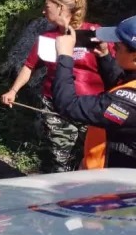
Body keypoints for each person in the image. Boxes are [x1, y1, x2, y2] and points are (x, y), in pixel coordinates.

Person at [1, 0, 105, 173]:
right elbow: (29, 66)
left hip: (90, 107)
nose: (43, 12)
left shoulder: (94, 34)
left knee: (90, 159)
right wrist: (13, 90)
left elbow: (114, 65)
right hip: (55, 106)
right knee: (59, 157)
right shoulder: (48, 38)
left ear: (61, 8)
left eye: (47, 7)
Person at [51, 16, 136, 169]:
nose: (113, 46)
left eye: (118, 46)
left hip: (114, 185)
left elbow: (68, 104)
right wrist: (104, 56)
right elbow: (121, 84)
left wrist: (65, 57)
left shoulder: (126, 104)